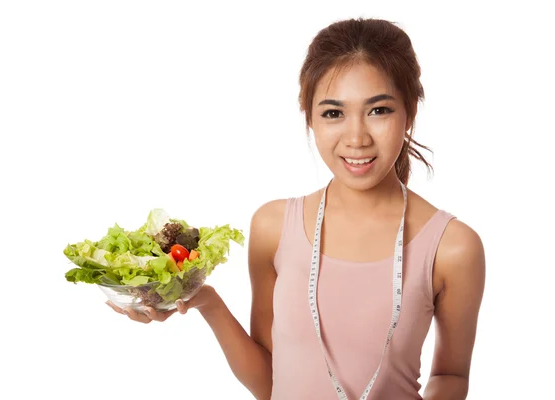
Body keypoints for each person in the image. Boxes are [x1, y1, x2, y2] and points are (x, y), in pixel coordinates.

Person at [107, 17, 485, 400]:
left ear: (410, 113)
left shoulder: (452, 247)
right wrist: (204, 298)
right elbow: (268, 384)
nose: (356, 138)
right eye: (333, 113)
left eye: (378, 110)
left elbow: (451, 375)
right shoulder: (274, 227)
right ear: (310, 117)